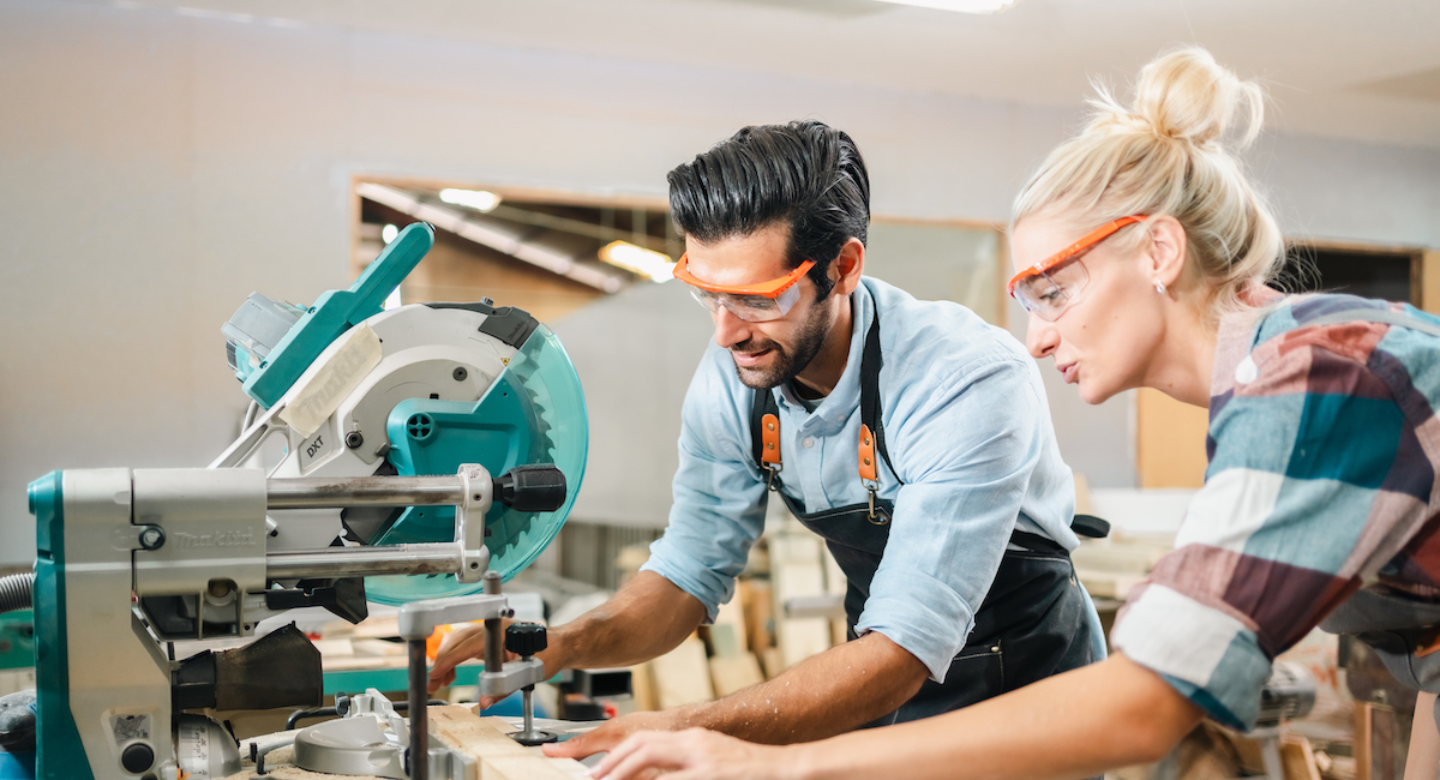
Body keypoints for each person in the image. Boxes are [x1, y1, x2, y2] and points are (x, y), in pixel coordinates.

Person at [588, 47, 1440, 780]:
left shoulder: (1317, 379)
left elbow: (1147, 704)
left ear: (1158, 251)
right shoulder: (1293, 379)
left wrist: (777, 761)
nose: (1035, 339)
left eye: (1054, 292)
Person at [429, 120, 1104, 758]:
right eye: (708, 295)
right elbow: (687, 573)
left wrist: (679, 727)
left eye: (757, 298)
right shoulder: (734, 377)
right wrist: (564, 644)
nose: (726, 332)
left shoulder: (961, 377)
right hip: (877, 676)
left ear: (843, 267)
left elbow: (904, 647)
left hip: (1023, 687)